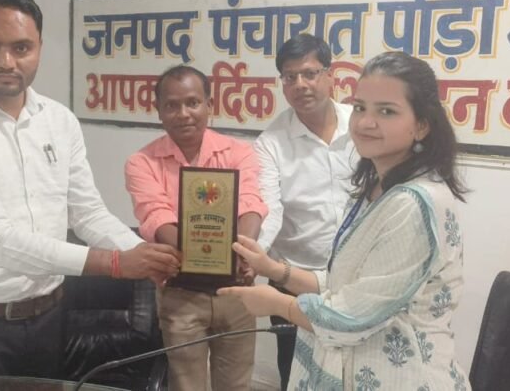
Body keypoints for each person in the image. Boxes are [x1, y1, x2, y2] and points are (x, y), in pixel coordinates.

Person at [0, 0, 181, 378]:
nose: (7, 61)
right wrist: (117, 262)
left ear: (38, 48)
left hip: (49, 321)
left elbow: (87, 213)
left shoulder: (58, 120)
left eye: (21, 48)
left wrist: (146, 254)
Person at [219, 51, 471, 390]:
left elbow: (352, 316)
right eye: (360, 107)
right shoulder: (376, 186)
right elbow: (348, 281)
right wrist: (273, 269)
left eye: (387, 111)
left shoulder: (413, 203)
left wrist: (277, 303)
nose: (365, 122)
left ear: (422, 125)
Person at [124, 65, 268, 391]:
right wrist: (208, 256)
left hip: (237, 289)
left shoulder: (238, 153)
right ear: (159, 110)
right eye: (172, 105)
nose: (184, 114)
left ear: (209, 105)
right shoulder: (142, 162)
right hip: (181, 293)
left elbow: (251, 204)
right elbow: (156, 216)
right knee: (186, 387)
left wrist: (241, 252)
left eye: (192, 102)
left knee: (236, 386)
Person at [254, 33, 357, 390]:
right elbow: (269, 212)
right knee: (296, 376)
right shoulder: (270, 144)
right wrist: (254, 255)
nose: (300, 84)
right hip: (293, 283)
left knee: (356, 375)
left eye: (310, 73)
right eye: (290, 76)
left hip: (356, 281)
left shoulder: (361, 126)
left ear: (331, 75)